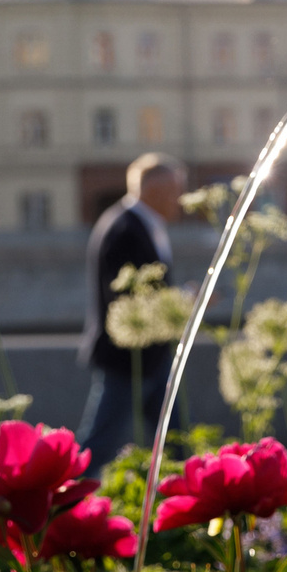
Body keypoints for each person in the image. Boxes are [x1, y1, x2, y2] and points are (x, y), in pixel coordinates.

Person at [77, 152, 183, 468]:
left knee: (174, 438)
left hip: (152, 354)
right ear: (157, 190)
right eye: (175, 190)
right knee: (101, 442)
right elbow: (126, 297)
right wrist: (185, 299)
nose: (179, 200)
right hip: (128, 356)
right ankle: (64, 506)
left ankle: (183, 501)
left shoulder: (137, 223)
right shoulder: (125, 228)